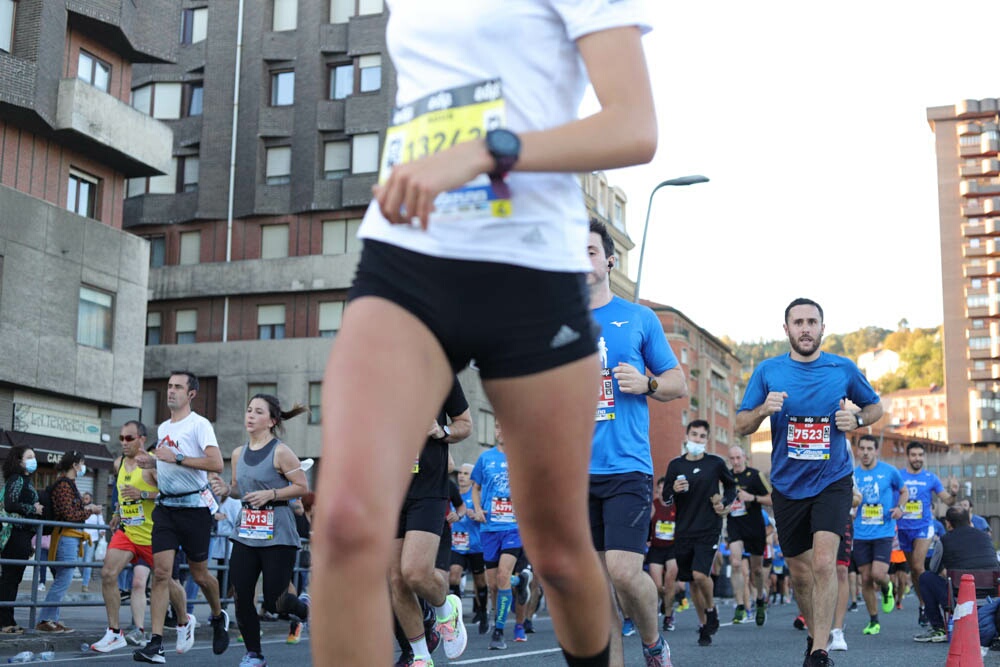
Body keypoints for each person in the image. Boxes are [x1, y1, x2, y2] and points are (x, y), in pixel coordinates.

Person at [310, 1, 658, 665]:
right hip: (406, 258)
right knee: (347, 525)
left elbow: (634, 127)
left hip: (530, 268)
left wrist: (486, 152)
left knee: (556, 550)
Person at [735, 297, 883, 667]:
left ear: (822, 328)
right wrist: (762, 411)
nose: (805, 328)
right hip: (786, 484)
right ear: (786, 329)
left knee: (822, 563)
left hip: (832, 479)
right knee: (800, 572)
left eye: (812, 322)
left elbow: (875, 407)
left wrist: (858, 421)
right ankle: (814, 636)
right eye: (798, 322)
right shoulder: (768, 371)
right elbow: (739, 425)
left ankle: (820, 651)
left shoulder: (842, 368)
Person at [586, 218, 684, 667]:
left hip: (626, 467)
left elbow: (677, 382)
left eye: (589, 251)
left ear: (609, 260)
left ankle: (652, 643)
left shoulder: (638, 318)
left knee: (624, 571)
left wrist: (645, 384)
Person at [133, 371, 230, 663]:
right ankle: (156, 643)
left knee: (200, 575)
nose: (171, 391)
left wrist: (174, 458)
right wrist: (152, 462)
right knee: (161, 574)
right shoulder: (164, 427)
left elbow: (216, 464)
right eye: (169, 386)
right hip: (166, 509)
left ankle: (217, 615)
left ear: (191, 394)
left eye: (177, 387)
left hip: (196, 511)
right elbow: (167, 463)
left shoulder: (200, 425)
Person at [209, 394, 310, 667]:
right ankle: (254, 654)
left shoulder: (281, 451)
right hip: (246, 532)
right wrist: (225, 490)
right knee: (242, 595)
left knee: (277, 603)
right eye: (249, 410)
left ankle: (304, 608)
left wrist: (272, 493)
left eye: (258, 412)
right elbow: (239, 488)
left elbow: (302, 487)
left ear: (272, 421)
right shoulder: (239, 453)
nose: (250, 416)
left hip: (277, 532)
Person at [387, 378, 472, 666]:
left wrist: (441, 430)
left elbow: (465, 424)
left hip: (428, 490)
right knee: (396, 580)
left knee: (414, 572)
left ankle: (446, 608)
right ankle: (421, 656)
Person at [90, 421, 173, 652]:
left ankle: (185, 621)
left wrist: (143, 493)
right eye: (121, 438)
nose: (124, 443)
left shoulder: (150, 465)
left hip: (152, 535)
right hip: (128, 530)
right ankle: (114, 632)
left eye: (129, 438)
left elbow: (170, 495)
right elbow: (119, 492)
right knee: (108, 573)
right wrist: (116, 513)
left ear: (141, 439)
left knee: (169, 583)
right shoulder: (118, 463)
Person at [663, 420, 736, 647]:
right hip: (684, 529)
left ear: (707, 440)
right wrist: (673, 490)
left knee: (700, 574)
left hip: (709, 527)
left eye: (702, 436)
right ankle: (704, 625)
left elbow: (731, 486)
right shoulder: (675, 465)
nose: (697, 439)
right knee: (691, 582)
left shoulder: (715, 463)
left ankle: (712, 610)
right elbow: (665, 498)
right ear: (686, 436)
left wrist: (724, 502)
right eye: (694, 435)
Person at [472, 422, 534, 652]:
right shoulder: (485, 458)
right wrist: (477, 509)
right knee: (494, 585)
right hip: (489, 529)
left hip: (513, 528)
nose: (501, 430)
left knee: (502, 575)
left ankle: (499, 632)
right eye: (497, 427)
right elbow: (475, 488)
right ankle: (520, 581)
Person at [35, 451, 102, 633]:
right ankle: (45, 619)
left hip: (70, 537)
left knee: (62, 578)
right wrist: (91, 511)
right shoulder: (64, 485)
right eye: (81, 463)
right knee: (63, 578)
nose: (83, 467)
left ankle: (52, 619)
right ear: (75, 464)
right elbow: (69, 515)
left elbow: (71, 511)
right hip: (67, 537)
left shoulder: (68, 484)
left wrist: (87, 509)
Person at [912, 506, 999, 643]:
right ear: (969, 520)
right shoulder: (985, 537)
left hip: (959, 597)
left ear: (948, 523)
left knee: (926, 577)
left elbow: (933, 568)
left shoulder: (945, 540)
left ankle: (939, 628)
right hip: (991, 595)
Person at [897, 441, 958, 627]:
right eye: (914, 455)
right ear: (908, 456)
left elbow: (947, 500)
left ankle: (929, 606)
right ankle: (923, 605)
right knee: (915, 570)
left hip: (924, 527)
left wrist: (954, 493)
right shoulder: (898, 476)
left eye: (920, 455)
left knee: (917, 565)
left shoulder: (931, 478)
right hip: (903, 528)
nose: (917, 458)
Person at [852, 434, 907, 637]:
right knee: (865, 578)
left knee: (877, 574)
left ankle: (887, 586)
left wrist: (899, 508)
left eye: (869, 449)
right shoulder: (852, 475)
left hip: (884, 531)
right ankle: (873, 620)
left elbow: (904, 491)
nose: (865, 452)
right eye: (862, 448)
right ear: (857, 451)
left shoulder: (889, 471)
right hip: (861, 533)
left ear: (876, 451)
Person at [725, 445, 773, 626]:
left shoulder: (755, 475)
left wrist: (752, 497)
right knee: (736, 563)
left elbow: (771, 498)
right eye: (732, 459)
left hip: (754, 525)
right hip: (735, 524)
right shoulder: (726, 477)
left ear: (745, 457)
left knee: (757, 570)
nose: (736, 462)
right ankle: (739, 606)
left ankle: (760, 599)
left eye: (738, 458)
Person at [0, 447, 44, 634]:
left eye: (34, 456)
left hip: (22, 535)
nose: (33, 460)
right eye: (29, 457)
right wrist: (33, 509)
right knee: (10, 578)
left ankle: (8, 619)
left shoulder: (24, 480)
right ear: (19, 461)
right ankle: (4, 622)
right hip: (14, 534)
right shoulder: (17, 479)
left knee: (13, 578)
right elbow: (10, 504)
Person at [449, 464, 488, 636]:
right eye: (460, 473)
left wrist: (477, 515)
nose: (461, 476)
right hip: (456, 545)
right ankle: (456, 615)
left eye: (466, 473)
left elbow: (487, 516)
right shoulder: (452, 494)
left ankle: (483, 612)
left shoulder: (477, 496)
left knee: (480, 581)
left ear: (473, 478)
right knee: (454, 575)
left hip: (476, 546)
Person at [646, 478, 677, 632]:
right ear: (657, 490)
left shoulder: (677, 506)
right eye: (660, 489)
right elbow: (644, 523)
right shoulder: (653, 506)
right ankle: (664, 601)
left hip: (672, 548)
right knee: (658, 586)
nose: (662, 492)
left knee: (670, 580)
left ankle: (669, 617)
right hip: (656, 549)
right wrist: (646, 539)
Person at [79, 492, 102, 593]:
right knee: (79, 562)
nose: (85, 499)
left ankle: (85, 584)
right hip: (80, 538)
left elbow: (101, 522)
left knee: (88, 562)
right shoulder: (79, 509)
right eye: (84, 498)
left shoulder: (95, 510)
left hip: (91, 539)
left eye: (87, 498)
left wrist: (102, 532)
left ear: (91, 499)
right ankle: (86, 577)